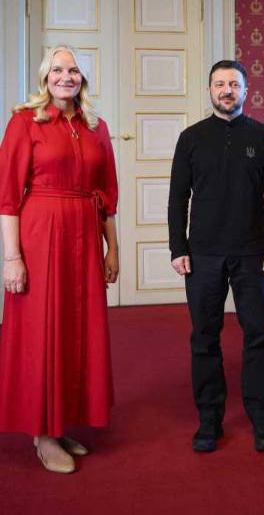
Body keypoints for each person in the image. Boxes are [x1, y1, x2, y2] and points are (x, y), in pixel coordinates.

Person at [0, 45, 119, 474]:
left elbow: (107, 195)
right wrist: (12, 258)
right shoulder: (24, 122)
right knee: (43, 332)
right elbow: (7, 198)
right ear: (44, 76)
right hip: (40, 237)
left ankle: (60, 421)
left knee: (76, 330)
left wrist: (112, 248)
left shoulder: (96, 127)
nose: (65, 77)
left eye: (73, 70)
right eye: (57, 69)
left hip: (84, 238)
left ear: (83, 78)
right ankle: (42, 434)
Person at [168, 60, 264, 453]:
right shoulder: (190, 138)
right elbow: (177, 197)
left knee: (259, 336)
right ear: (209, 90)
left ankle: (261, 415)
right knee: (204, 337)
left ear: (246, 91)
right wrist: (177, 248)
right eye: (219, 84)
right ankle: (209, 418)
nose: (226, 91)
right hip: (202, 255)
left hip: (252, 253)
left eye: (234, 84)